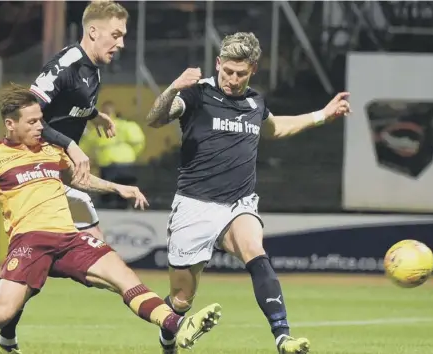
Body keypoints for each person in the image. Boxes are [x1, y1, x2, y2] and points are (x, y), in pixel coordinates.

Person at [0, 84, 222, 354]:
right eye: (31, 122)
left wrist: (117, 187)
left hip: (70, 239)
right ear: (10, 124)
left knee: (125, 277)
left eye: (40, 119)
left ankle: (179, 327)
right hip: (30, 241)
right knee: (2, 313)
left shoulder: (49, 149)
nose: (39, 126)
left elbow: (79, 179)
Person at [146, 32, 351, 354]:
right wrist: (174, 87)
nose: (232, 79)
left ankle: (283, 336)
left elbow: (276, 127)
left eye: (241, 73)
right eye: (227, 71)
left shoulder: (255, 102)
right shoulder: (197, 95)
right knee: (182, 298)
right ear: (218, 64)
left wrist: (322, 115)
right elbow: (154, 119)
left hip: (237, 204)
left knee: (255, 250)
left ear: (253, 69)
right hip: (194, 205)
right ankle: (168, 338)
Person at [0, 2, 130, 350]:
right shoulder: (65, 63)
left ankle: (7, 335)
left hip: (53, 173)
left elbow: (72, 103)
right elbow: (26, 110)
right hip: (32, 168)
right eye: (116, 35)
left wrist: (94, 114)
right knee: (83, 238)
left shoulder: (94, 68)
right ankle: (137, 294)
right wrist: (71, 144)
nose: (121, 43)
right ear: (93, 31)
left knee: (34, 261)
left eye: (123, 36)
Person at [80, 101, 146, 209]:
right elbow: (84, 146)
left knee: (119, 194)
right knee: (110, 194)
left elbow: (139, 142)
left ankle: (123, 210)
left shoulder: (124, 126)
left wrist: (132, 155)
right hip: (111, 165)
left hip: (122, 165)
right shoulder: (100, 129)